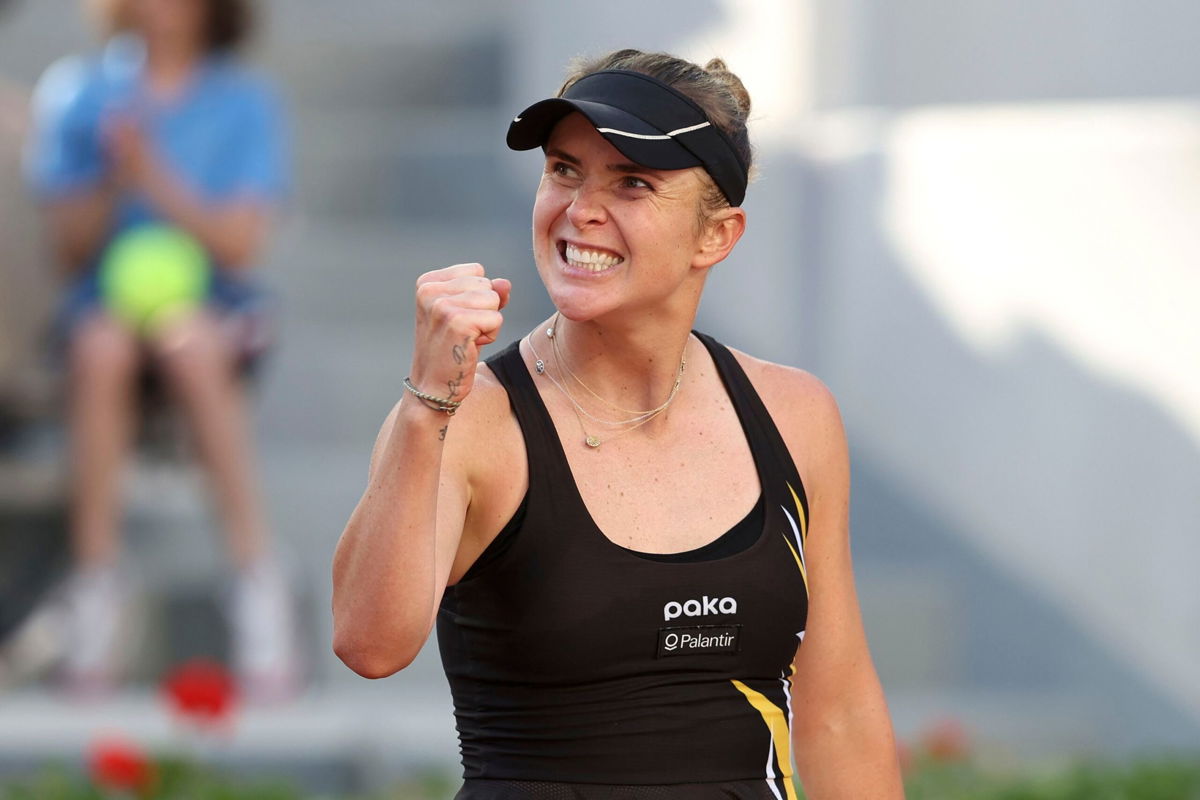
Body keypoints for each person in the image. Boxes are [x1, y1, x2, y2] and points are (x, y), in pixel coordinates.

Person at [332, 49, 903, 798]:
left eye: (632, 182)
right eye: (564, 169)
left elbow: (839, 717)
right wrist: (424, 407)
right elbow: (369, 644)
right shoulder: (468, 416)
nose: (581, 209)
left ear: (716, 236)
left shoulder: (795, 416)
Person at [23, 0, 297, 700]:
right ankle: (95, 587)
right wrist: (115, 178)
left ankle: (254, 580)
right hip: (103, 310)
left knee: (192, 347)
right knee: (100, 348)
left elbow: (239, 245)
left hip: (211, 312)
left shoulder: (243, 102)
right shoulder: (79, 92)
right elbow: (70, 248)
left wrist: (155, 177)